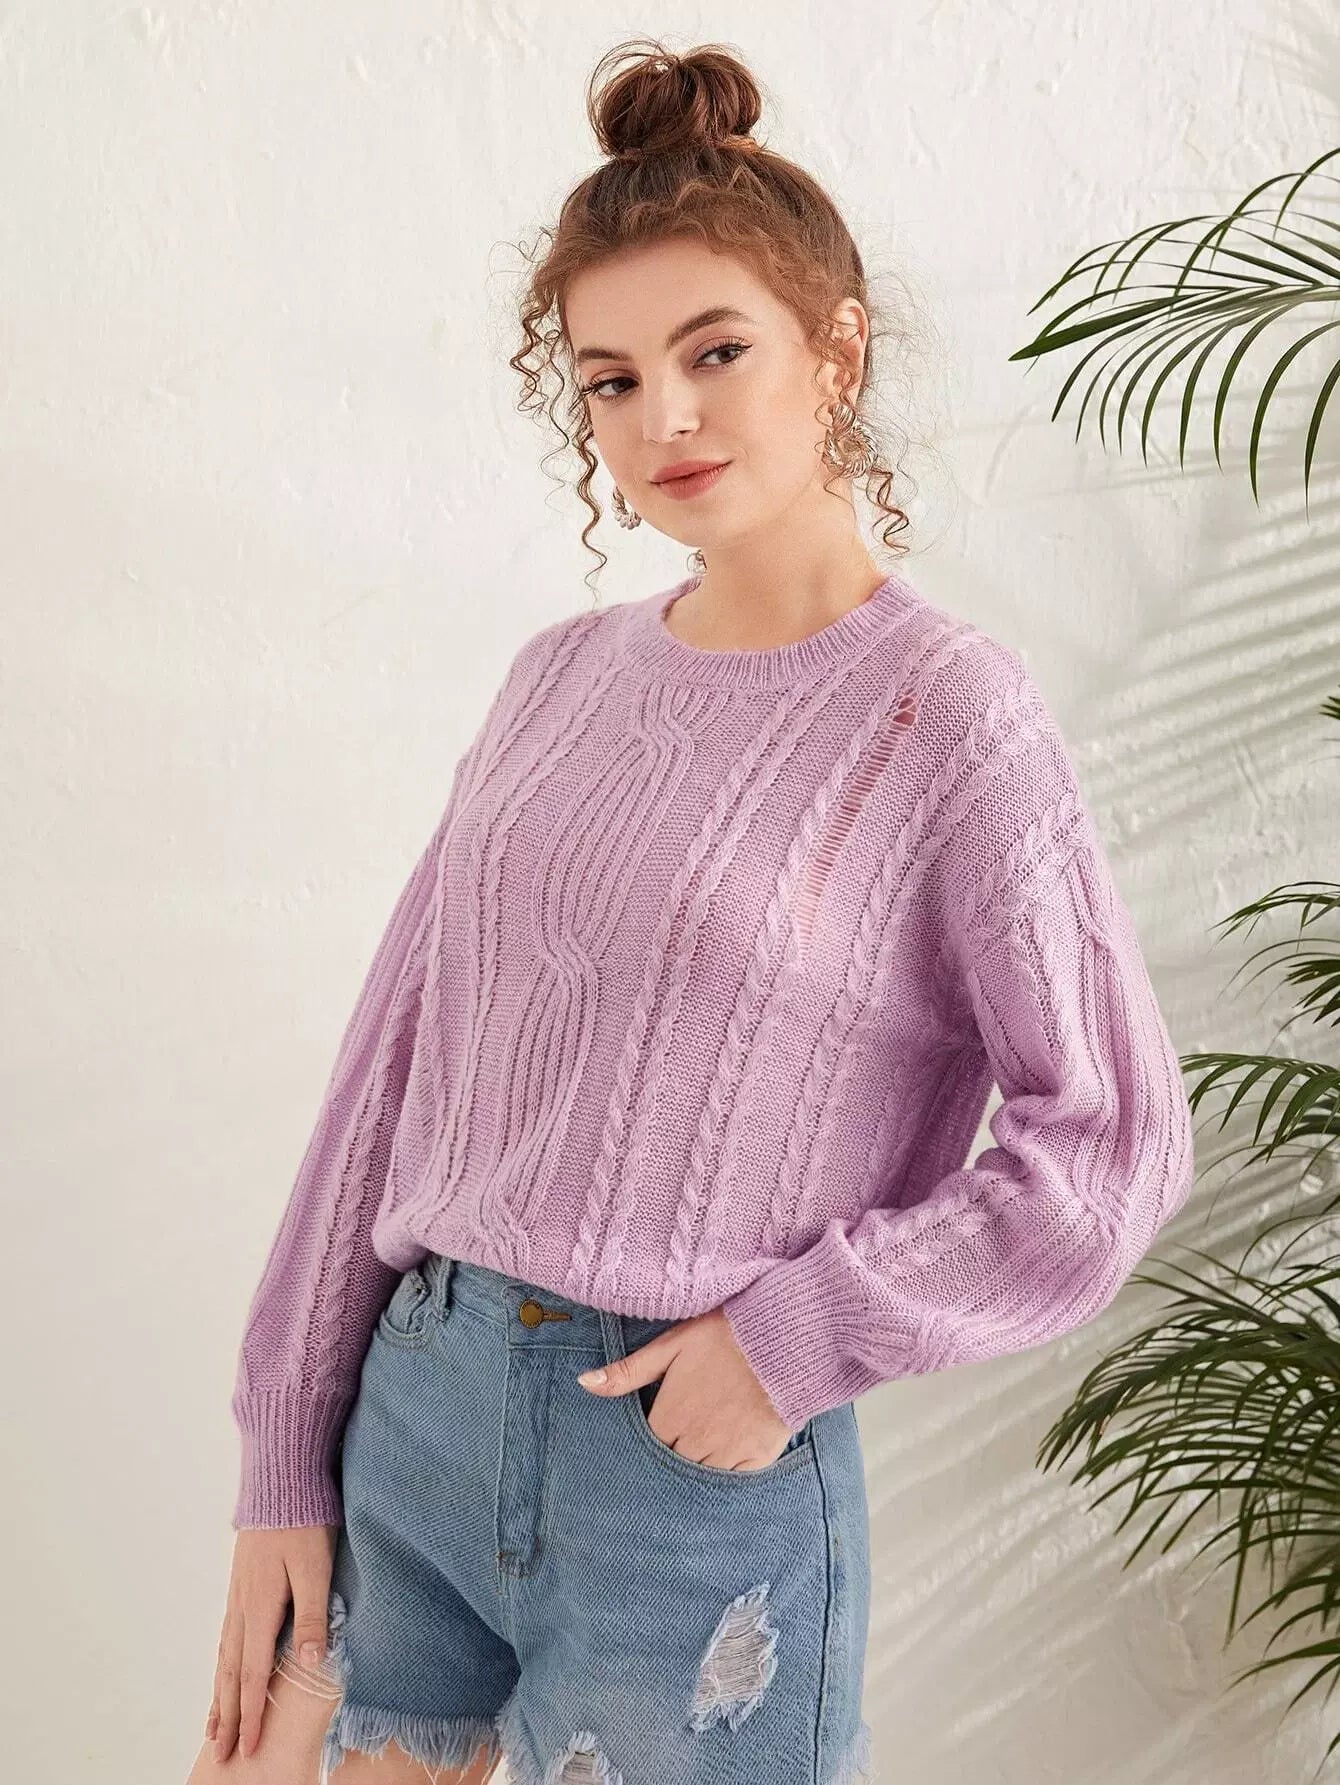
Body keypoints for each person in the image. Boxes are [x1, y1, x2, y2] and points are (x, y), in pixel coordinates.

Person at [188, 36, 1197, 1785]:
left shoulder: (948, 720)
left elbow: (1111, 1142)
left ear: (835, 351)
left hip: (686, 1475)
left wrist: (798, 1339)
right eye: (611, 378)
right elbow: (393, 1068)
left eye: (714, 352)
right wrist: (284, 1446)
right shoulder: (557, 679)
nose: (663, 418)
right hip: (413, 1421)